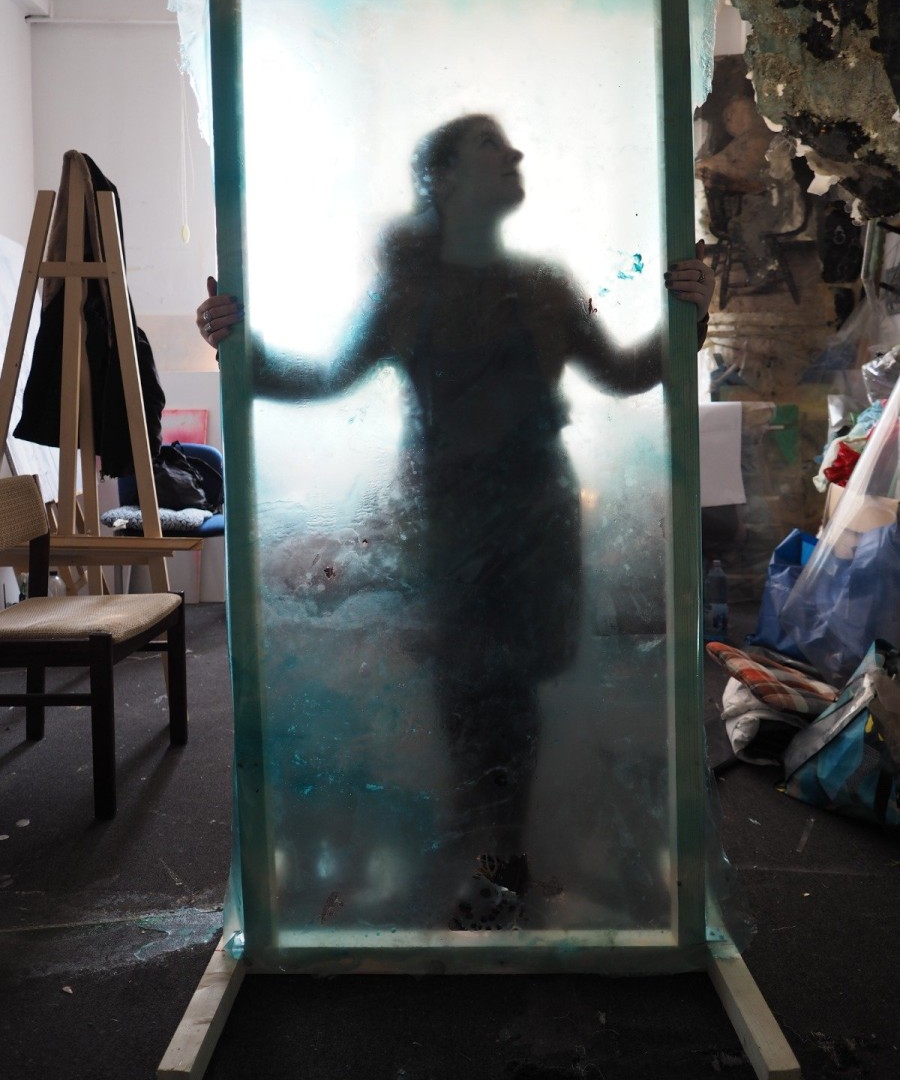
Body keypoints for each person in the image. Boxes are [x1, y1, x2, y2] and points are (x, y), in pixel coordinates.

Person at [198, 114, 714, 928]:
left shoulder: (541, 284)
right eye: (490, 147)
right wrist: (238, 347)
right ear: (441, 179)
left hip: (533, 514)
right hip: (448, 517)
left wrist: (689, 317)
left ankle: (496, 849)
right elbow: (327, 379)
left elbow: (622, 374)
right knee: (469, 685)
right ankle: (485, 843)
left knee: (511, 686)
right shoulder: (412, 288)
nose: (515, 154)